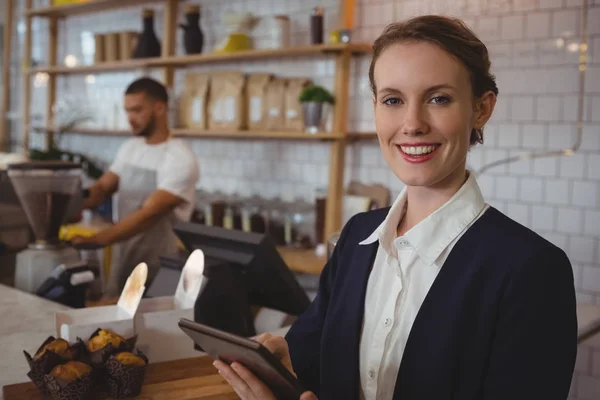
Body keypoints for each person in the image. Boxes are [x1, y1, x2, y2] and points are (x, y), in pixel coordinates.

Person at [214, 15, 577, 400]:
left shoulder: (531, 270)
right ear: (375, 107)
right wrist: (283, 357)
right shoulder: (357, 237)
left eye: (438, 98)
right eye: (393, 100)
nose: (412, 123)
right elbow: (319, 349)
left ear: (481, 108)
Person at [73, 77, 200, 297]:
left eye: (137, 110)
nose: (130, 118)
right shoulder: (130, 148)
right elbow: (102, 188)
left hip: (158, 265)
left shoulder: (179, 157)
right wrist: (69, 202)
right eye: (127, 111)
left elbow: (148, 215)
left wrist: (96, 240)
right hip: (124, 256)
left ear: (160, 108)